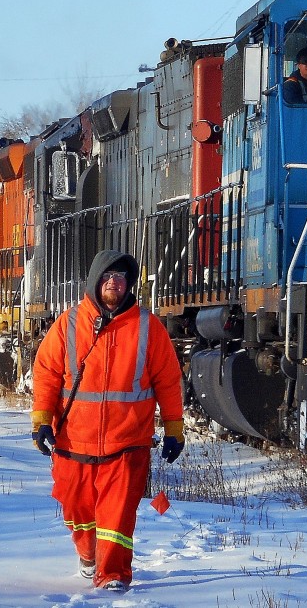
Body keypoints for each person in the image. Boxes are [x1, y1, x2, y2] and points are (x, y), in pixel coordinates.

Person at [30, 249, 184, 592]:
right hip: (73, 440)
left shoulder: (149, 327)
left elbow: (169, 380)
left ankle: (113, 574)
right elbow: (46, 374)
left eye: (121, 277)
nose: (114, 282)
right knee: (77, 509)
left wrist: (174, 427)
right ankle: (88, 555)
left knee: (117, 515)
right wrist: (41, 420)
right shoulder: (68, 324)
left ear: (129, 285)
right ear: (94, 281)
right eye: (108, 276)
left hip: (128, 442)